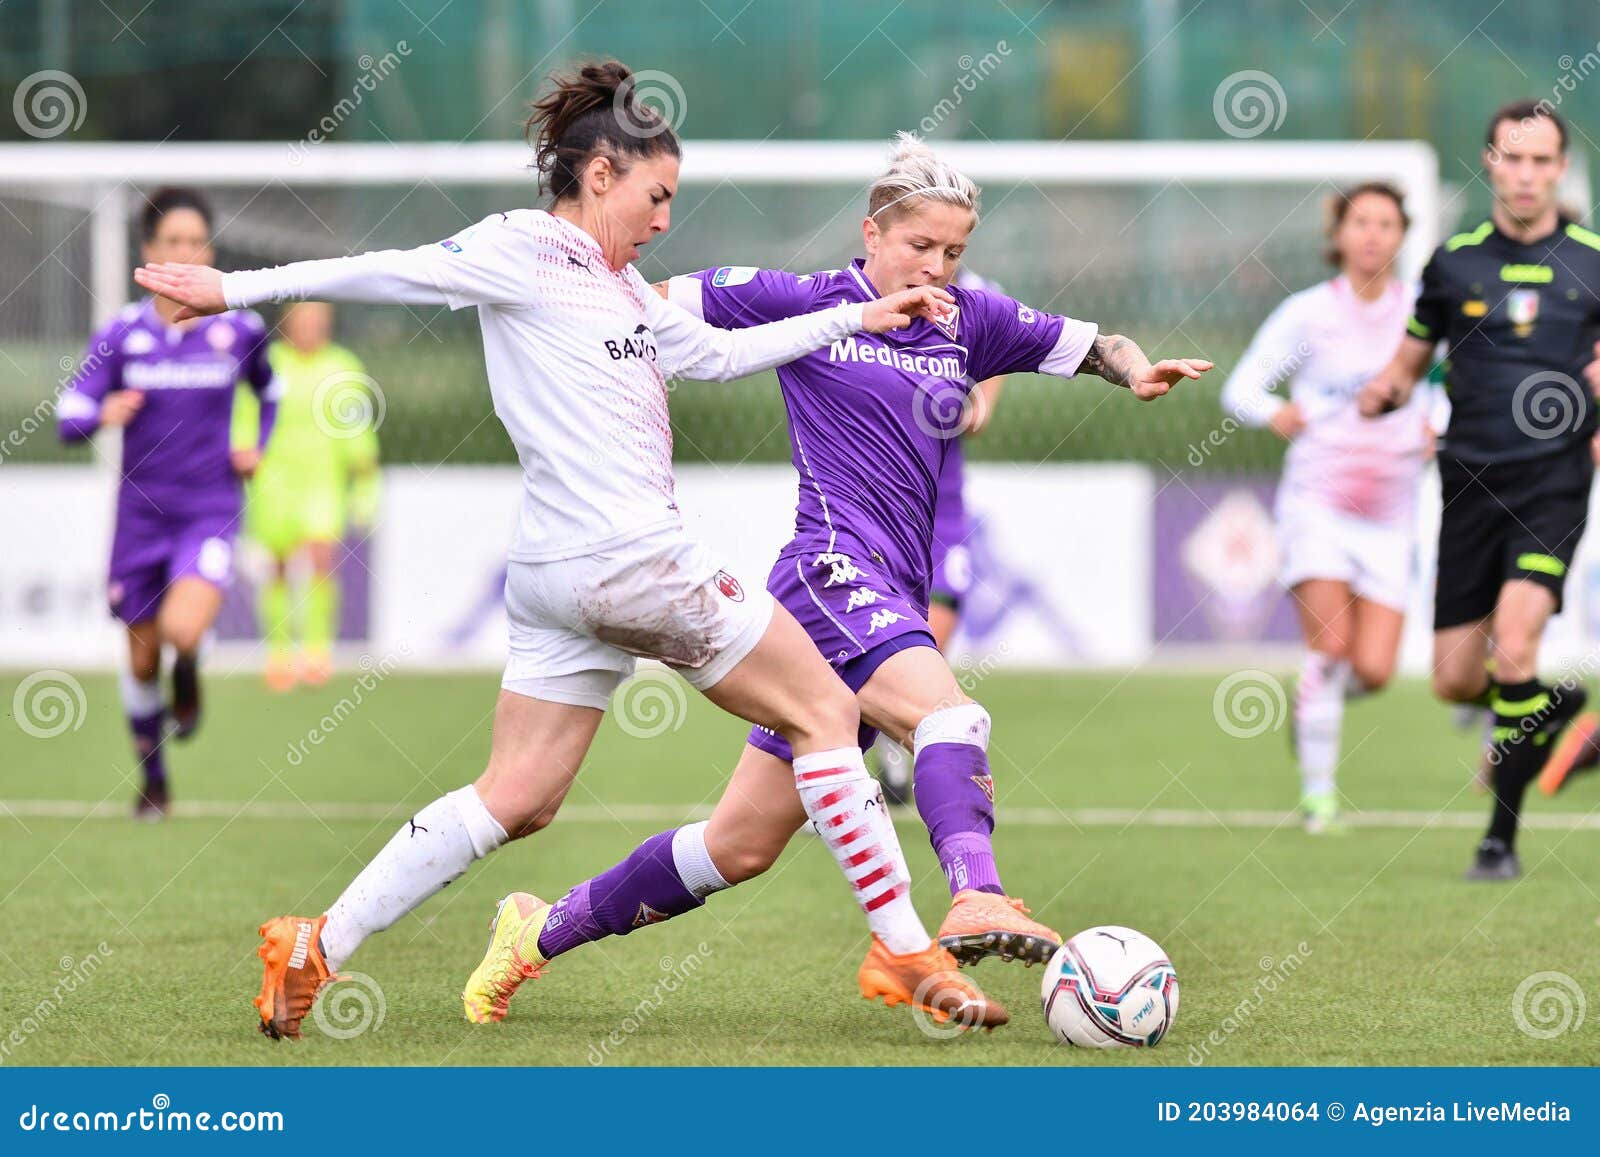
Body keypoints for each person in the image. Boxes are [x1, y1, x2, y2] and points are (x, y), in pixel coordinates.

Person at [136, 62, 1003, 1038]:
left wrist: (855, 315)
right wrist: (230, 289)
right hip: (630, 557)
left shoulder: (621, 287)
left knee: (518, 796)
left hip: (555, 575)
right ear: (599, 175)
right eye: (656, 195)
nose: (666, 220)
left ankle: (318, 942)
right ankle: (900, 943)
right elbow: (396, 267)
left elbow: (714, 354)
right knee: (827, 710)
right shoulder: (526, 247)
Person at [459, 133, 1210, 1021]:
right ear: (872, 232)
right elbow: (638, 304)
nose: (936, 265)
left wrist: (1135, 373)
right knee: (950, 713)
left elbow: (1093, 341)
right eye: (920, 246)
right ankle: (977, 894)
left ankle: (534, 932)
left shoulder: (971, 321)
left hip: (890, 581)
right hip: (826, 571)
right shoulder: (804, 301)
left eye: (955, 251)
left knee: (736, 847)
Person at [1360, 100, 1600, 880]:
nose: (1526, 174)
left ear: (1561, 169)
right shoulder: (1453, 260)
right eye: (1513, 158)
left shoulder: (1593, 258)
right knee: (1456, 678)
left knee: (1517, 644)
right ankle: (1556, 705)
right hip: (1467, 481)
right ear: (1490, 163)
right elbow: (1410, 358)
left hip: (1555, 480)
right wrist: (1385, 392)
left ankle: (1498, 841)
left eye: (1542, 161)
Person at [57, 186, 280, 820]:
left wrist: (255, 446)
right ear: (149, 253)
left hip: (209, 508)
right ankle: (153, 780)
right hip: (138, 519)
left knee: (183, 629)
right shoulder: (123, 335)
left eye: (195, 242)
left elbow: (272, 392)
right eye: (172, 242)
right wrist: (102, 412)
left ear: (209, 251)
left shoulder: (238, 328)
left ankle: (190, 671)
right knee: (140, 654)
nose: (185, 253)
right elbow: (67, 415)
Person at [1222, 182, 1431, 834]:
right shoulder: (1308, 314)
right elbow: (1241, 388)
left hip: (1393, 513)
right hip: (1317, 504)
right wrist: (1274, 410)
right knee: (1331, 647)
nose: (1372, 234)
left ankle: (1311, 704)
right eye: (1360, 222)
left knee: (1372, 668)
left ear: (1402, 235)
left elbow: (1455, 385)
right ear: (1337, 235)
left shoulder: (1425, 314)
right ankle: (1319, 800)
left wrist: (1440, 424)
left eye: (1386, 223)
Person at [875, 266, 1007, 806]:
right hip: (875, 506)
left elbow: (1004, 351)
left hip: (943, 510)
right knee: (857, 647)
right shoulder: (863, 297)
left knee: (932, 637)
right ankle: (831, 770)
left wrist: (979, 404)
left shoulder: (976, 295)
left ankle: (891, 748)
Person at [231, 301, 380, 689]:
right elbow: (245, 416)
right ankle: (279, 653)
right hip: (274, 478)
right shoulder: (268, 364)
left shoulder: (342, 366)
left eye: (320, 322)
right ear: (287, 326)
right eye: (304, 322)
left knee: (320, 556)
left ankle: (316, 651)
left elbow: (357, 429)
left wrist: (364, 483)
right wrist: (243, 453)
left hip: (322, 478)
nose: (312, 328)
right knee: (277, 565)